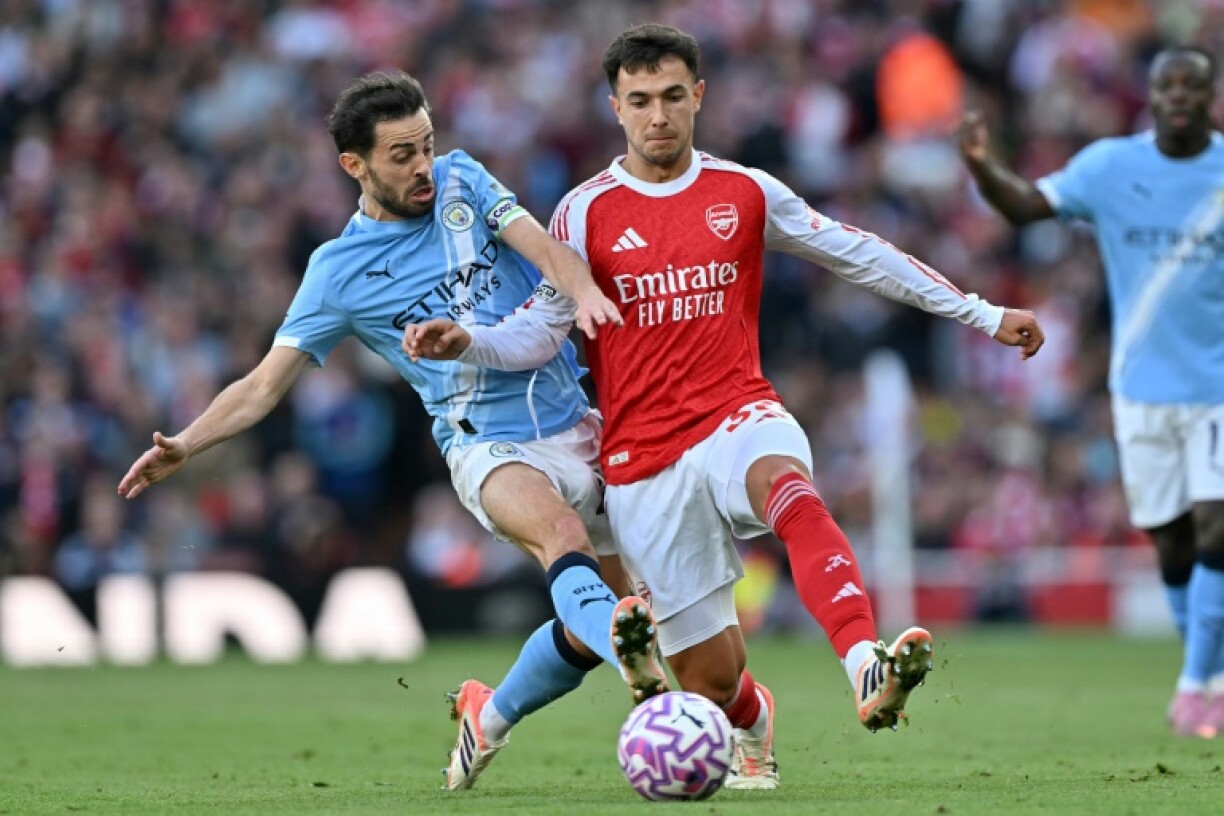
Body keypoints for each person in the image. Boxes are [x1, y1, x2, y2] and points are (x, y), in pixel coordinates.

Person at [403, 23, 1045, 788]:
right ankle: (753, 717)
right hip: (642, 461)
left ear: (699, 95)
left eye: (674, 96)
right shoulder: (582, 214)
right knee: (709, 687)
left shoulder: (744, 191)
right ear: (615, 107)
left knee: (789, 489)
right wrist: (466, 342)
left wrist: (979, 313)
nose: (659, 116)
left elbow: (859, 252)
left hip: (736, 412)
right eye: (640, 101)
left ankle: (864, 662)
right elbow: (540, 334)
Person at [115, 70, 670, 789]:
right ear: (356, 164)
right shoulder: (337, 273)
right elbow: (261, 386)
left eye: (427, 145)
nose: (422, 168)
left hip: (580, 423)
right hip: (486, 446)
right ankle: (644, 672)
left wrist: (586, 289)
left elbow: (546, 251)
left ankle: (490, 714)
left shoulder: (465, 180)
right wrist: (187, 443)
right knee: (565, 544)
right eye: (401, 154)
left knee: (587, 631)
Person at [954, 45, 1224, 739]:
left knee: (1215, 526)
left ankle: (1195, 686)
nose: (1181, 97)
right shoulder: (1111, 166)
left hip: (1217, 388)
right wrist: (984, 166)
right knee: (1170, 544)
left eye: (1195, 86)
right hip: (1140, 390)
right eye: (1169, 85)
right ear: (1152, 95)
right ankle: (1207, 675)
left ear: (1211, 94)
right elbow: (1025, 208)